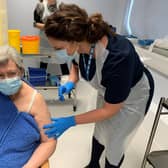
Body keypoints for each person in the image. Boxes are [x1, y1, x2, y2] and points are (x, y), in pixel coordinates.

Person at [43, 3, 154, 168]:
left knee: (116, 140)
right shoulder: (81, 44)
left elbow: (110, 110)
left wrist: (70, 121)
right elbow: (75, 65)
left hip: (134, 96)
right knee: (101, 129)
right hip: (108, 91)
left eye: (58, 48)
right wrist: (71, 81)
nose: (56, 52)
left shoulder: (118, 57)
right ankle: (93, 164)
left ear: (73, 40)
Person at [0, 45, 56, 168]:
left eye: (11, 73)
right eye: (0, 76)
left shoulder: (35, 100)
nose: (6, 80)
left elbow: (48, 142)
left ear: (21, 71)